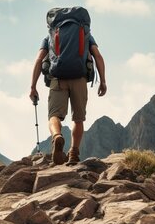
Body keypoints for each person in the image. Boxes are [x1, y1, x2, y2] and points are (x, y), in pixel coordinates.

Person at [29, 28, 107, 166]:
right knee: (78, 119)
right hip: (79, 78)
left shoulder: (50, 36)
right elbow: (98, 56)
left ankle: (57, 136)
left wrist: (33, 86)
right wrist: (103, 81)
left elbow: (39, 59)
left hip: (57, 78)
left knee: (54, 115)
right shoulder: (84, 34)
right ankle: (73, 154)